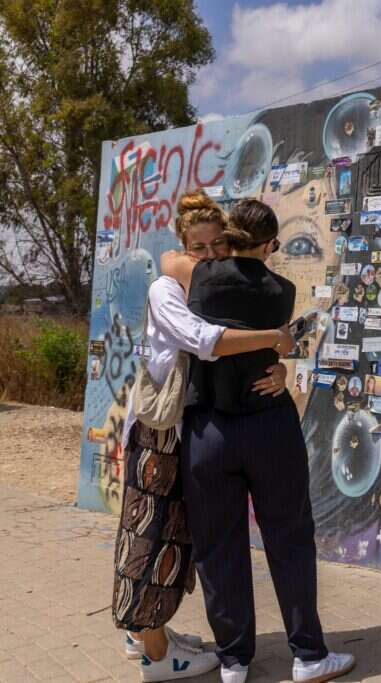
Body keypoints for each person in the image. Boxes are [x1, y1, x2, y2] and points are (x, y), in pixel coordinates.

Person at [165, 199, 354, 683]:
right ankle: (309, 656)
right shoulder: (283, 291)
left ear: (227, 236)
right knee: (289, 538)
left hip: (208, 431)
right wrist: (281, 353)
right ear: (271, 245)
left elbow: (171, 261)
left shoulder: (199, 277)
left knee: (218, 546)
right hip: (270, 425)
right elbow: (269, 337)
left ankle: (233, 660)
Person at [115, 191, 294, 682]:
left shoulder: (210, 284)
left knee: (176, 536)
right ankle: (152, 653)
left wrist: (280, 366)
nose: (210, 256)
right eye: (198, 247)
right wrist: (274, 337)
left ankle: (151, 634)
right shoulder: (167, 289)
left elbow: (241, 345)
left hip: (188, 431)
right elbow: (205, 341)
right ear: (183, 247)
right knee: (146, 539)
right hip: (158, 432)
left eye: (218, 246)